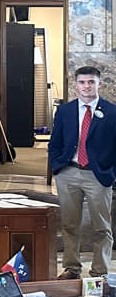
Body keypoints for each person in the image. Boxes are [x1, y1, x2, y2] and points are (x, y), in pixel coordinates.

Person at [48, 65, 115, 279]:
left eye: (91, 82)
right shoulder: (65, 111)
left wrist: (111, 172)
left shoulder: (112, 111)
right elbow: (55, 141)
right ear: (76, 84)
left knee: (101, 227)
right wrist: (56, 166)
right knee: (69, 224)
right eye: (82, 82)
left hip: (98, 174)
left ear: (99, 84)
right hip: (68, 172)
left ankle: (100, 271)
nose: (86, 86)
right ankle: (71, 268)